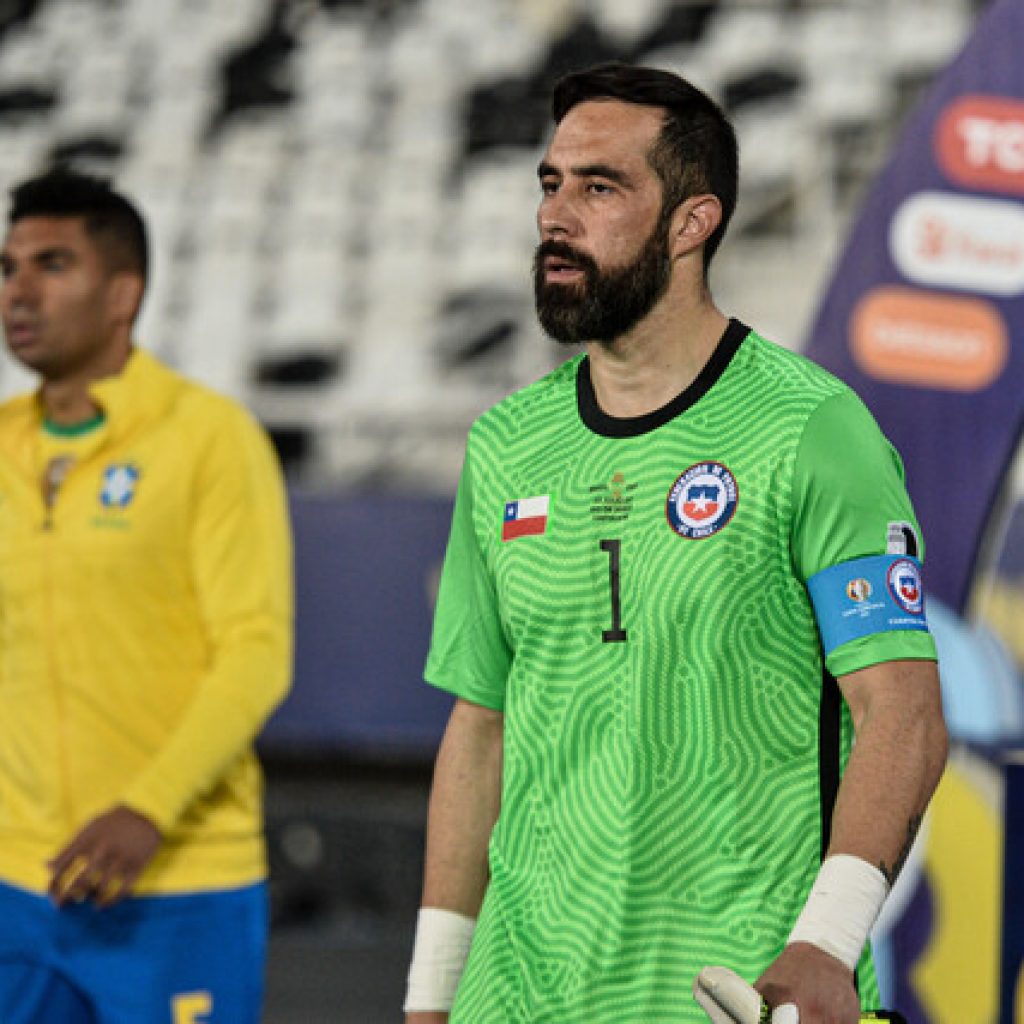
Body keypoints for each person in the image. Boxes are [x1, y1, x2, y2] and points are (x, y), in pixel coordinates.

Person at [404, 63, 948, 1024]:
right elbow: (477, 730)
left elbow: (901, 714)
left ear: (692, 222)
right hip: (518, 997)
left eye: (600, 187)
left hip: (732, 997)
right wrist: (430, 997)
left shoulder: (812, 428)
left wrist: (827, 944)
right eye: (551, 183)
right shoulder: (503, 446)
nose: (556, 215)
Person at [0, 166, 293, 1023]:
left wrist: (147, 808)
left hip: (178, 886)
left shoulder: (210, 439)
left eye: (52, 265)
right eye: (9, 267)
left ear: (123, 292)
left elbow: (256, 651)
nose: (19, 290)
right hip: (19, 886)